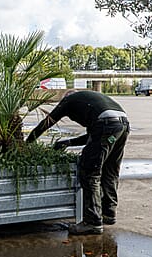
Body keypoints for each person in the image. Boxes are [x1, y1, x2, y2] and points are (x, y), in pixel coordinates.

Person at [26, 90, 130, 235]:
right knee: (110, 171)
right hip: (123, 125)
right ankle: (108, 213)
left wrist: (27, 143)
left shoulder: (68, 100)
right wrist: (68, 142)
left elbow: (47, 123)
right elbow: (95, 135)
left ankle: (92, 222)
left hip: (106, 125)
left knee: (89, 172)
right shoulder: (92, 100)